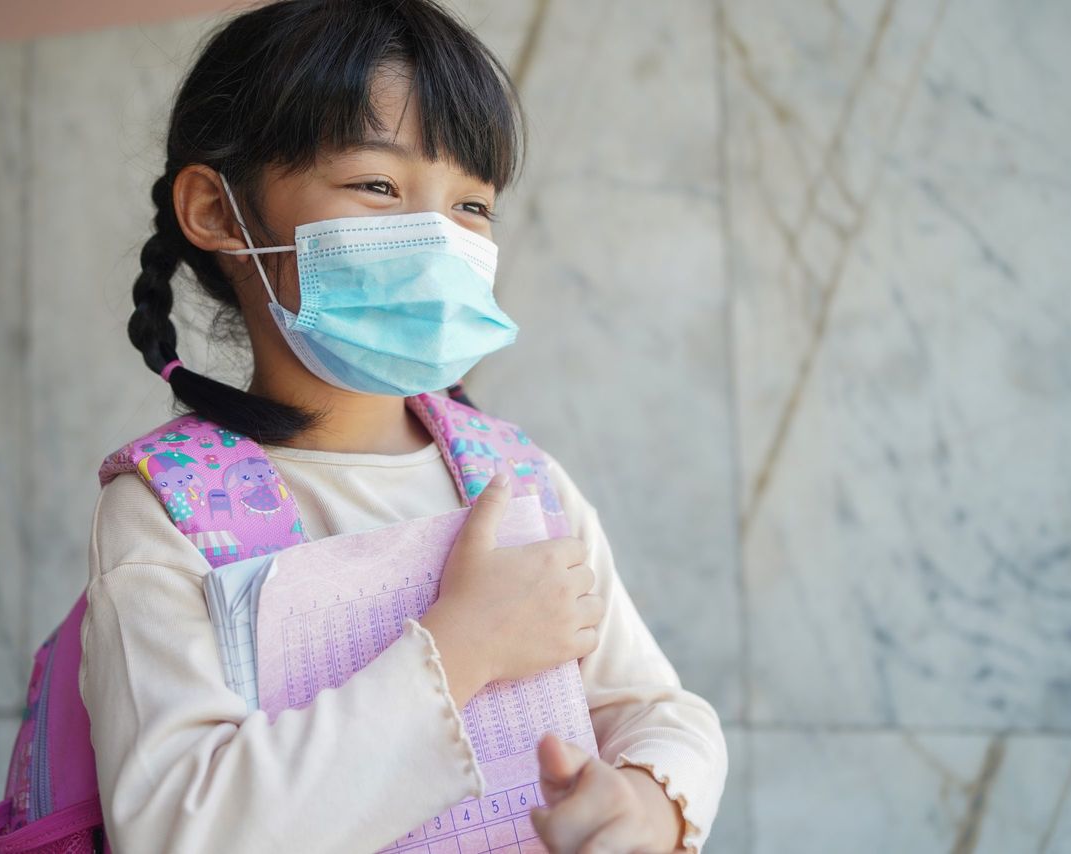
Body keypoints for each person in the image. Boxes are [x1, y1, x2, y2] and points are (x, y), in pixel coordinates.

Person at [79, 1, 728, 851]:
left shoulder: (519, 478)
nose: (435, 239)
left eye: (471, 206)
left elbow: (653, 709)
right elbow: (178, 827)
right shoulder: (168, 510)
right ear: (219, 212)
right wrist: (461, 648)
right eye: (378, 186)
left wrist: (645, 801)